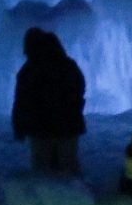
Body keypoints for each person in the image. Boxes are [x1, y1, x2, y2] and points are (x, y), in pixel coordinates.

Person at [12, 29, 87, 175]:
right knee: (67, 165)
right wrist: (73, 109)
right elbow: (79, 89)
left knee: (42, 168)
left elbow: (21, 101)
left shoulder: (29, 70)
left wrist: (19, 125)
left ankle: (48, 195)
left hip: (39, 127)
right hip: (67, 125)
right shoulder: (67, 65)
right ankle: (74, 195)